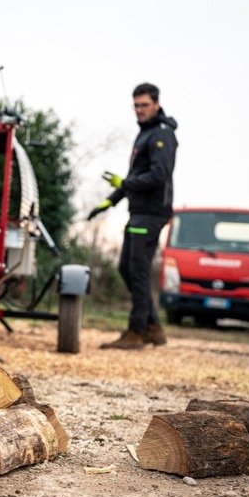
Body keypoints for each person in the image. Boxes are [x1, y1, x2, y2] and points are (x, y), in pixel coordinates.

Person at [88, 82, 178, 349]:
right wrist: (109, 202)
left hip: (151, 213)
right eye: (136, 105)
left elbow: (158, 176)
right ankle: (154, 328)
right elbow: (135, 178)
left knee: (138, 271)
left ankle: (136, 333)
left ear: (156, 104)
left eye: (144, 105)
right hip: (138, 212)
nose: (139, 110)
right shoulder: (145, 135)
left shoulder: (162, 135)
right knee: (126, 268)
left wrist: (123, 184)